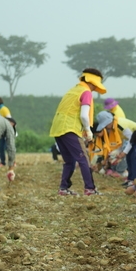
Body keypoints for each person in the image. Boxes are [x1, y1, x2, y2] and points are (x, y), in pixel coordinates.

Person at [49, 68, 106, 196]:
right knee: (83, 159)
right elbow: (84, 116)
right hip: (70, 128)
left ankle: (63, 188)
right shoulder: (86, 92)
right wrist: (88, 131)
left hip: (58, 127)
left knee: (69, 160)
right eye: (95, 86)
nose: (94, 89)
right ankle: (90, 189)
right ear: (91, 82)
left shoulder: (73, 90)